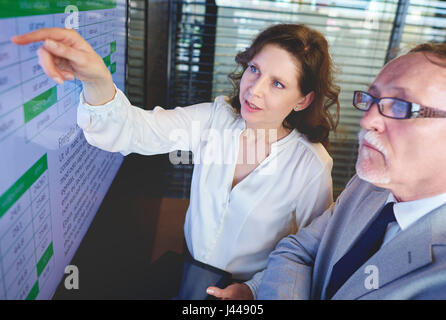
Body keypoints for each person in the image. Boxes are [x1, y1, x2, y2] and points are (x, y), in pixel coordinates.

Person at [12, 24, 340, 299]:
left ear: (303, 99)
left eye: (277, 83)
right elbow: (133, 130)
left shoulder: (311, 166)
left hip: (250, 294)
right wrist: (97, 78)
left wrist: (252, 290)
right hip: (189, 274)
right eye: (254, 69)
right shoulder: (216, 119)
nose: (253, 91)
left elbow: (309, 255)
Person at [257, 42, 446, 300]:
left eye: (401, 106)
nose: (368, 120)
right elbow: (297, 251)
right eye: (371, 99)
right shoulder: (367, 185)